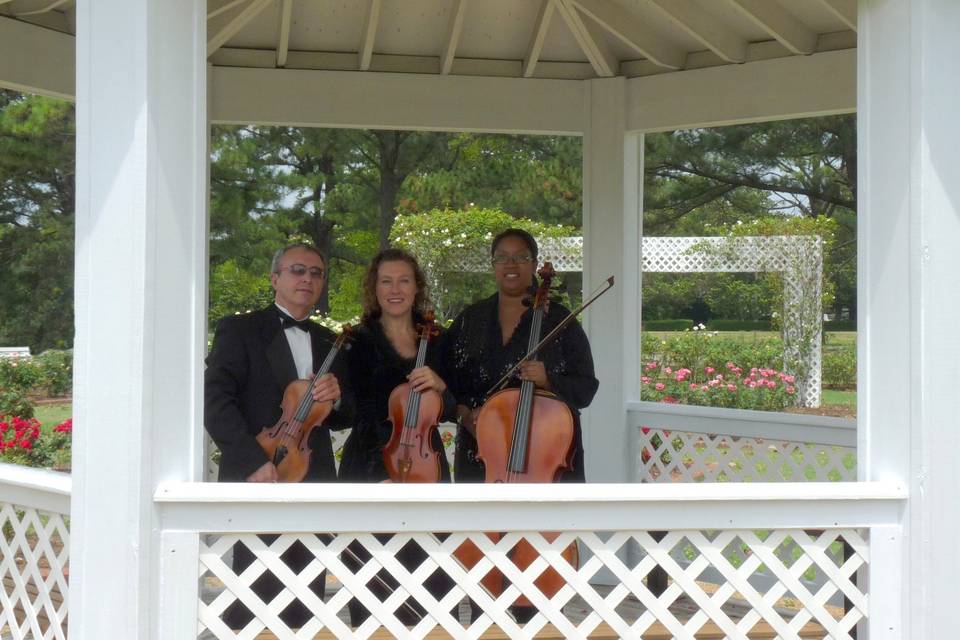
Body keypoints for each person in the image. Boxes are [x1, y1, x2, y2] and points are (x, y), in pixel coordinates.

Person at [444, 228, 598, 622]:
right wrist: (465, 415)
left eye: (520, 257)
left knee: (544, 579)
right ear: (493, 265)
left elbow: (586, 387)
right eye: (502, 257)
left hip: (545, 461)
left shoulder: (561, 321)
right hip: (484, 458)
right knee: (482, 576)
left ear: (533, 264)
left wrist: (549, 380)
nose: (510, 265)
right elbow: (446, 384)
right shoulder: (469, 320)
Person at [204, 242, 354, 630]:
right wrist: (251, 461)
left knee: (308, 595)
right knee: (254, 592)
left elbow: (345, 416)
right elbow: (215, 400)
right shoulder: (240, 330)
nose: (307, 279)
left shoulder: (330, 341)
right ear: (275, 279)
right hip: (261, 472)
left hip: (315, 476)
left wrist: (337, 400)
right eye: (297, 270)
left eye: (316, 273)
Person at [339, 248, 456, 626]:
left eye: (403, 280)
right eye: (385, 281)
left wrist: (441, 386)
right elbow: (352, 410)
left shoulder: (437, 339)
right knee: (372, 569)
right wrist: (382, 472)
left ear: (417, 286)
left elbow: (458, 406)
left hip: (426, 461)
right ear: (373, 288)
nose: (395, 289)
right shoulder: (356, 340)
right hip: (369, 462)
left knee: (431, 568)